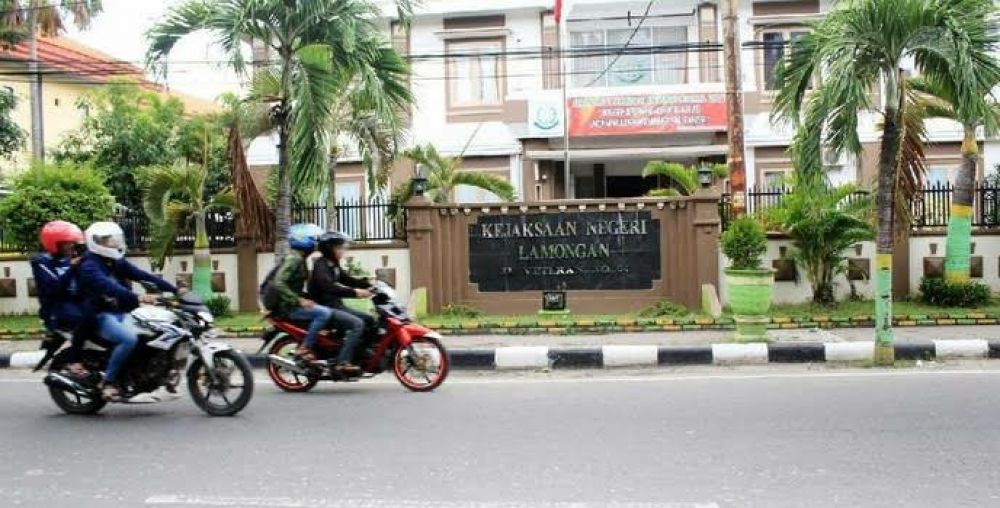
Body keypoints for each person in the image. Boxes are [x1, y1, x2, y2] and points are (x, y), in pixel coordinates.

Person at [77, 222, 177, 401]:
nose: (114, 243)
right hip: (100, 315)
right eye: (108, 241)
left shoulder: (114, 261)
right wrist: (138, 297)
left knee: (151, 333)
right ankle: (107, 382)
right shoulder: (89, 266)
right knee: (128, 339)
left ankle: (144, 376)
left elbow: (142, 275)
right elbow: (110, 287)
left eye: (114, 240)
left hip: (120, 312)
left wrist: (175, 290)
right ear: (97, 243)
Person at [267, 224, 336, 368]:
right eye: (314, 239)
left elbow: (294, 286)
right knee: (324, 313)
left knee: (324, 309)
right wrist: (299, 300)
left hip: (291, 303)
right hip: (288, 306)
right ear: (305, 241)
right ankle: (304, 348)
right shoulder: (294, 259)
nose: (317, 243)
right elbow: (279, 282)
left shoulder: (301, 259)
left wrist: (306, 298)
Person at [309, 231, 374, 375]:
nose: (342, 251)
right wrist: (355, 292)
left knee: (370, 320)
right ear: (329, 248)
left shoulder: (333, 264)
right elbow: (329, 287)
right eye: (339, 248)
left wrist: (368, 284)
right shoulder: (321, 266)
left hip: (336, 305)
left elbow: (346, 279)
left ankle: (359, 355)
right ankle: (342, 362)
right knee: (358, 324)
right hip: (326, 308)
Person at [31, 221, 89, 376]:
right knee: (87, 321)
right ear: (54, 243)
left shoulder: (76, 257)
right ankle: (74, 362)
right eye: (67, 244)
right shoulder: (42, 262)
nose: (71, 247)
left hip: (77, 303)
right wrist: (72, 268)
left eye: (73, 243)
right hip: (57, 309)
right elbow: (54, 288)